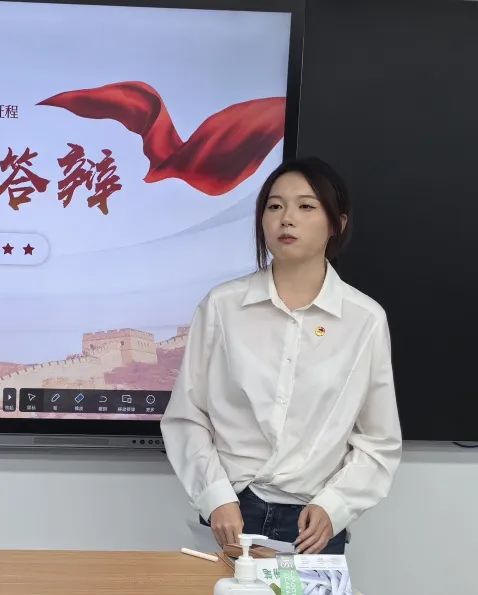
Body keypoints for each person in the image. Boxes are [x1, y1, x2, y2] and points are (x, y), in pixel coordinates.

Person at [160, 157, 402, 554]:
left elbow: (379, 440)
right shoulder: (222, 306)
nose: (286, 219)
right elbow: (187, 416)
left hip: (313, 521)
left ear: (337, 223)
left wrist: (335, 507)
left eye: (306, 206)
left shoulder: (364, 319)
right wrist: (215, 495)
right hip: (232, 511)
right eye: (275, 206)